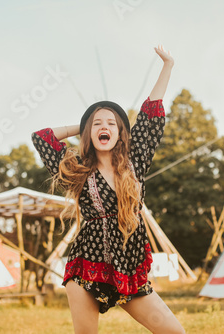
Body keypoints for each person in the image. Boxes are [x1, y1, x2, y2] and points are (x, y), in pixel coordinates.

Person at [31, 45, 185, 333]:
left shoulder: (135, 159)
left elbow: (151, 113)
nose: (105, 126)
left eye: (111, 123)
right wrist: (82, 125)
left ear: (120, 132)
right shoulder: (77, 169)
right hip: (86, 270)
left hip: (129, 271)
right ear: (90, 132)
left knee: (175, 332)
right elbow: (42, 138)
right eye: (97, 124)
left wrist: (168, 66)